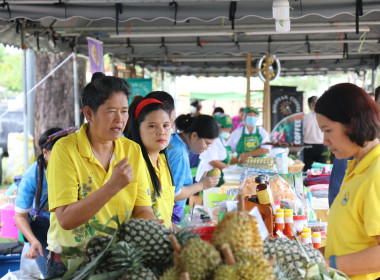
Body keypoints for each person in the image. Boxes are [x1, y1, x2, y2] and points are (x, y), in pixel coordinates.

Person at [46, 74, 156, 277]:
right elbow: (65, 219)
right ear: (89, 112)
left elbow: (141, 209)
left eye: (124, 111)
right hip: (71, 262)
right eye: (111, 111)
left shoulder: (132, 150)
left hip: (116, 259)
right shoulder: (65, 150)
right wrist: (113, 186)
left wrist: (156, 231)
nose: (120, 119)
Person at [315, 83, 380, 279]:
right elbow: (348, 242)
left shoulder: (376, 172)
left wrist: (327, 264)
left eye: (328, 131)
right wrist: (309, 256)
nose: (325, 141)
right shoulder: (356, 167)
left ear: (351, 124)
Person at [14, 127, 63, 277]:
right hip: (43, 227)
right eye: (59, 153)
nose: (65, 157)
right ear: (45, 153)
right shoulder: (32, 176)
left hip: (69, 223)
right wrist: (33, 241)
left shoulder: (77, 168)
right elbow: (20, 216)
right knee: (52, 273)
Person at [127, 97, 175, 229]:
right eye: (152, 126)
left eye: (166, 125)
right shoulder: (133, 164)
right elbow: (139, 212)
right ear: (138, 129)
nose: (161, 132)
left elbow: (166, 217)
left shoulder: (163, 161)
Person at [167, 114, 220, 224]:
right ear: (194, 136)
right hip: (168, 215)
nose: (206, 148)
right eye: (207, 143)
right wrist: (201, 185)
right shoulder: (180, 155)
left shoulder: (174, 140)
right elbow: (173, 194)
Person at [196, 113, 233, 187]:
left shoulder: (221, 140)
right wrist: (230, 169)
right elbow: (213, 161)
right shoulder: (212, 140)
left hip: (217, 177)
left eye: (229, 127)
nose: (229, 130)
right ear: (218, 127)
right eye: (226, 127)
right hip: (207, 177)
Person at [303, 96, 328, 171]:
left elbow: (302, 133)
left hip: (308, 147)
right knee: (322, 171)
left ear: (309, 105)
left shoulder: (305, 118)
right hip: (322, 146)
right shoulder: (325, 117)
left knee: (308, 170)